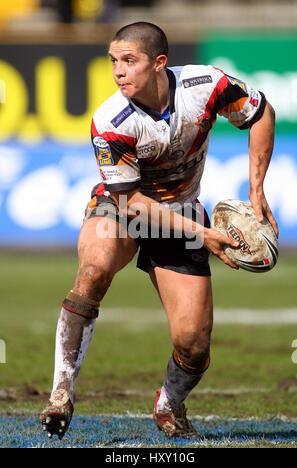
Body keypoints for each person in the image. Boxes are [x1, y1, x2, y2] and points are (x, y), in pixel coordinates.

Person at [40, 22, 278, 439]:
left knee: (194, 344)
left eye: (129, 61)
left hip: (181, 212)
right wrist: (202, 234)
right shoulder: (111, 119)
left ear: (159, 63)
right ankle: (61, 391)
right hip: (125, 207)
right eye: (113, 61)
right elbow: (129, 202)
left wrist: (256, 189)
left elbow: (260, 113)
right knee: (93, 269)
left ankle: (169, 403)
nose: (118, 71)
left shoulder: (206, 85)